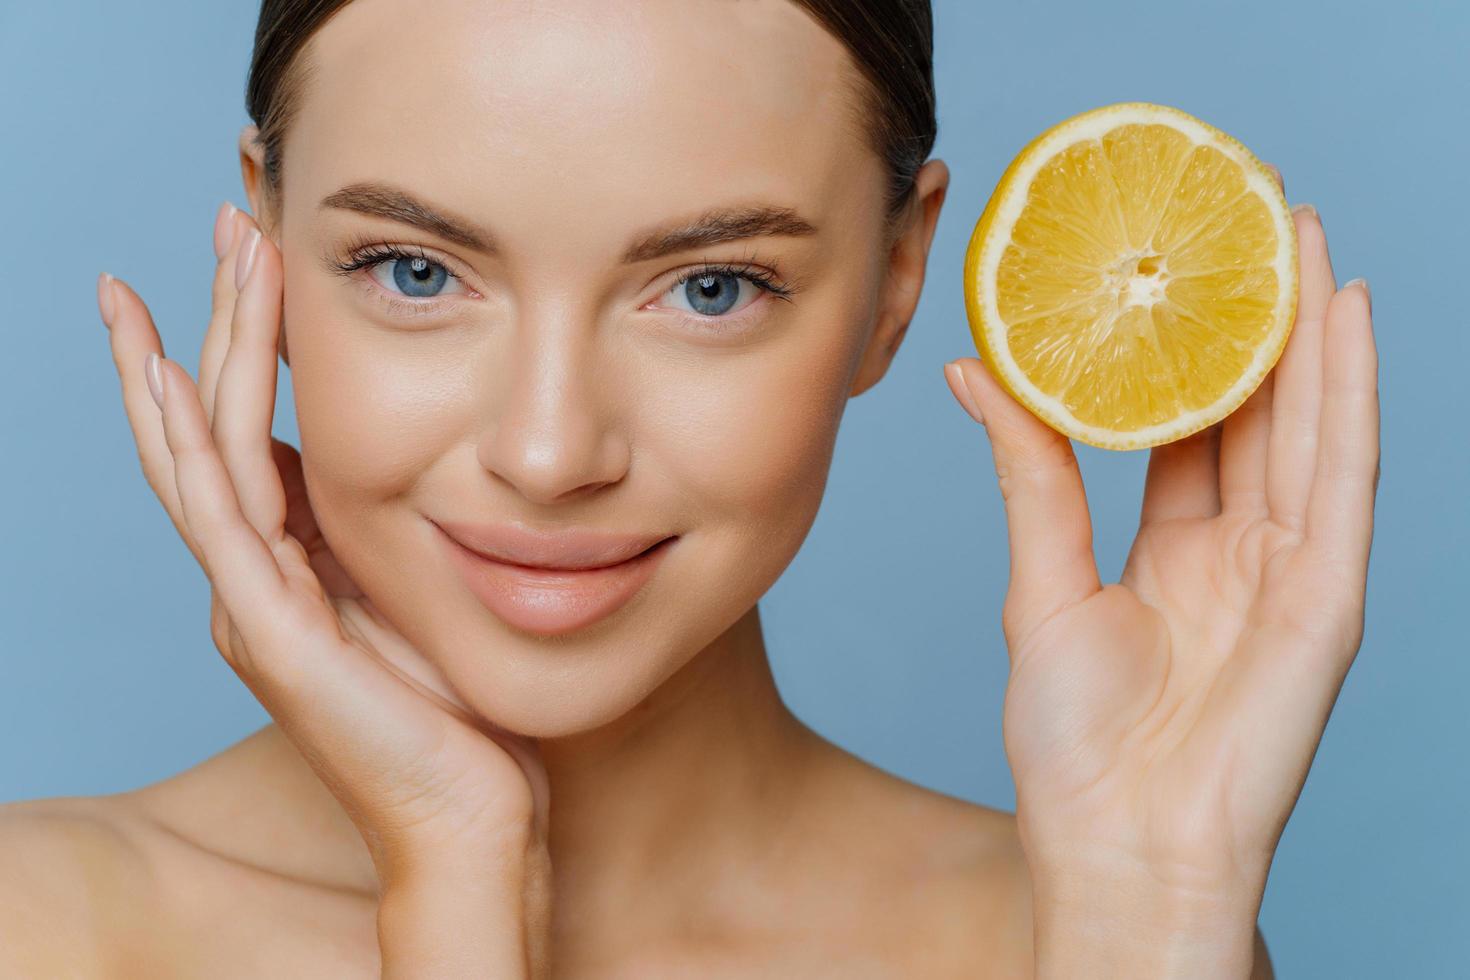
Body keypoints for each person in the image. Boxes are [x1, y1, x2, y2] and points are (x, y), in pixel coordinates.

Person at [1, 0, 1378, 975]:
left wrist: (1153, 915)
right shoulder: (45, 927)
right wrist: (451, 869)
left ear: (896, 281)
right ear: (265, 241)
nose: (548, 455)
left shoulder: (1086, 934)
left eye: (710, 289)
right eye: (414, 272)